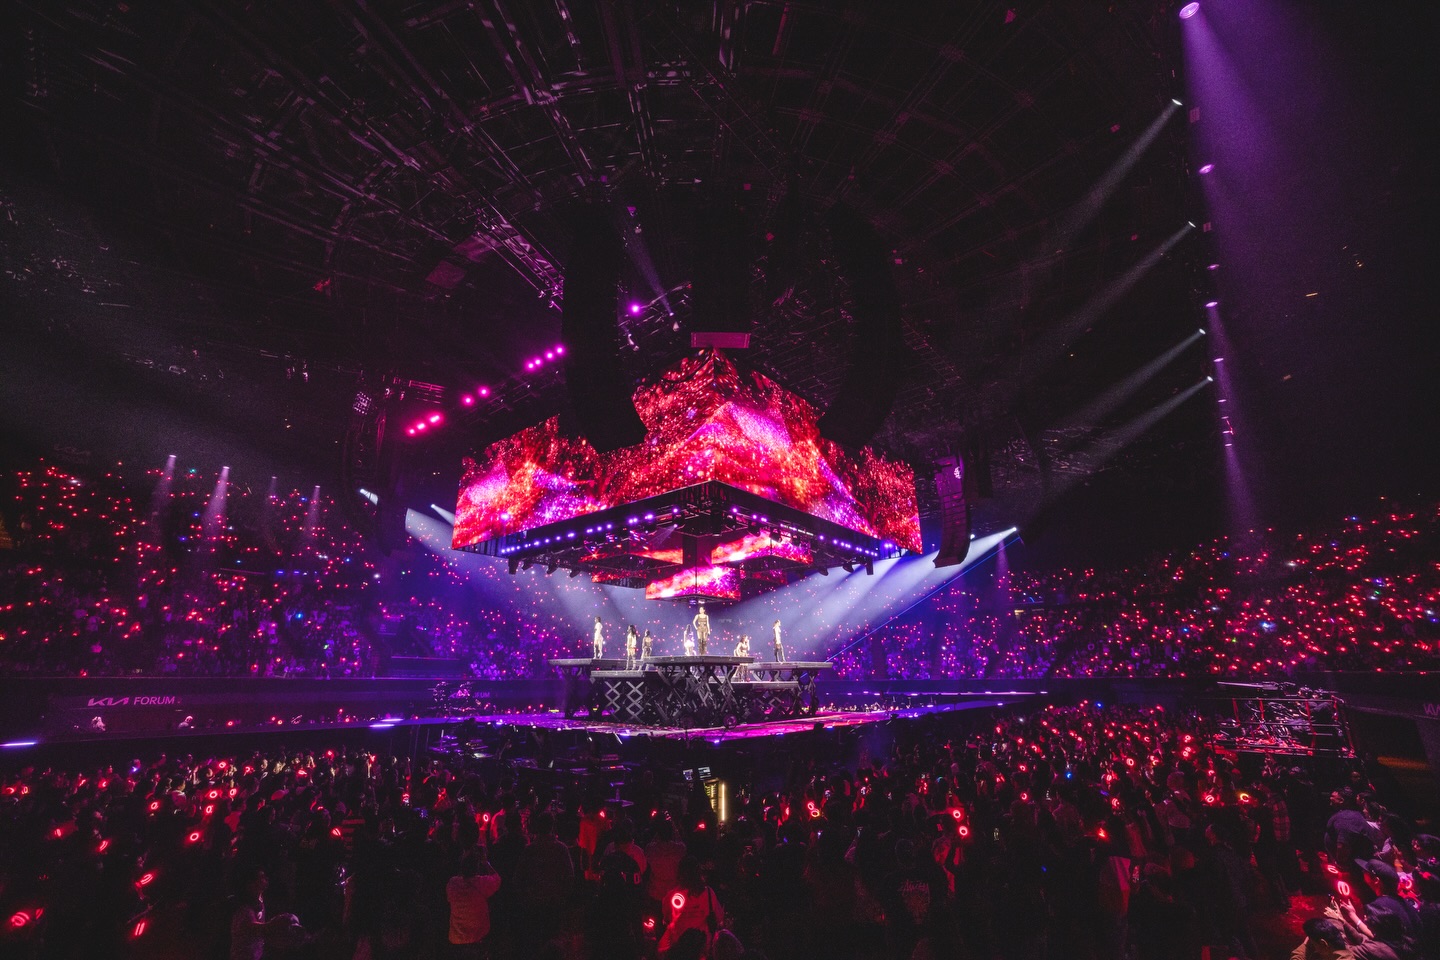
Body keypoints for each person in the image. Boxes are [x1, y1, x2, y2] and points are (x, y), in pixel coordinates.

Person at [658, 856, 723, 954]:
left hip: (679, 946)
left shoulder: (671, 895)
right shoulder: (708, 893)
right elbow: (719, 917)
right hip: (702, 947)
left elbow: (667, 919)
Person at [446, 849, 501, 958]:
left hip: (456, 939)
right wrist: (486, 862)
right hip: (478, 938)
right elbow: (497, 879)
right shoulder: (481, 883)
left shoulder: (452, 883)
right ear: (477, 867)